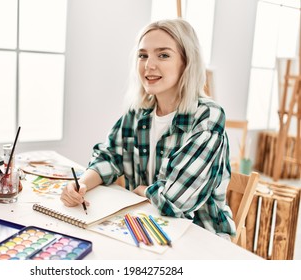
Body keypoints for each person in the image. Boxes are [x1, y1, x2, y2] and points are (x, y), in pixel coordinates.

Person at [61, 19, 236, 239]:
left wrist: (142, 190)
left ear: (186, 62)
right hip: (143, 226)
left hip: (199, 236)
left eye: (163, 55)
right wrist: (80, 186)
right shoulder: (137, 113)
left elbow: (176, 201)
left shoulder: (207, 117)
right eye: (143, 55)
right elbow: (109, 157)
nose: (148, 65)